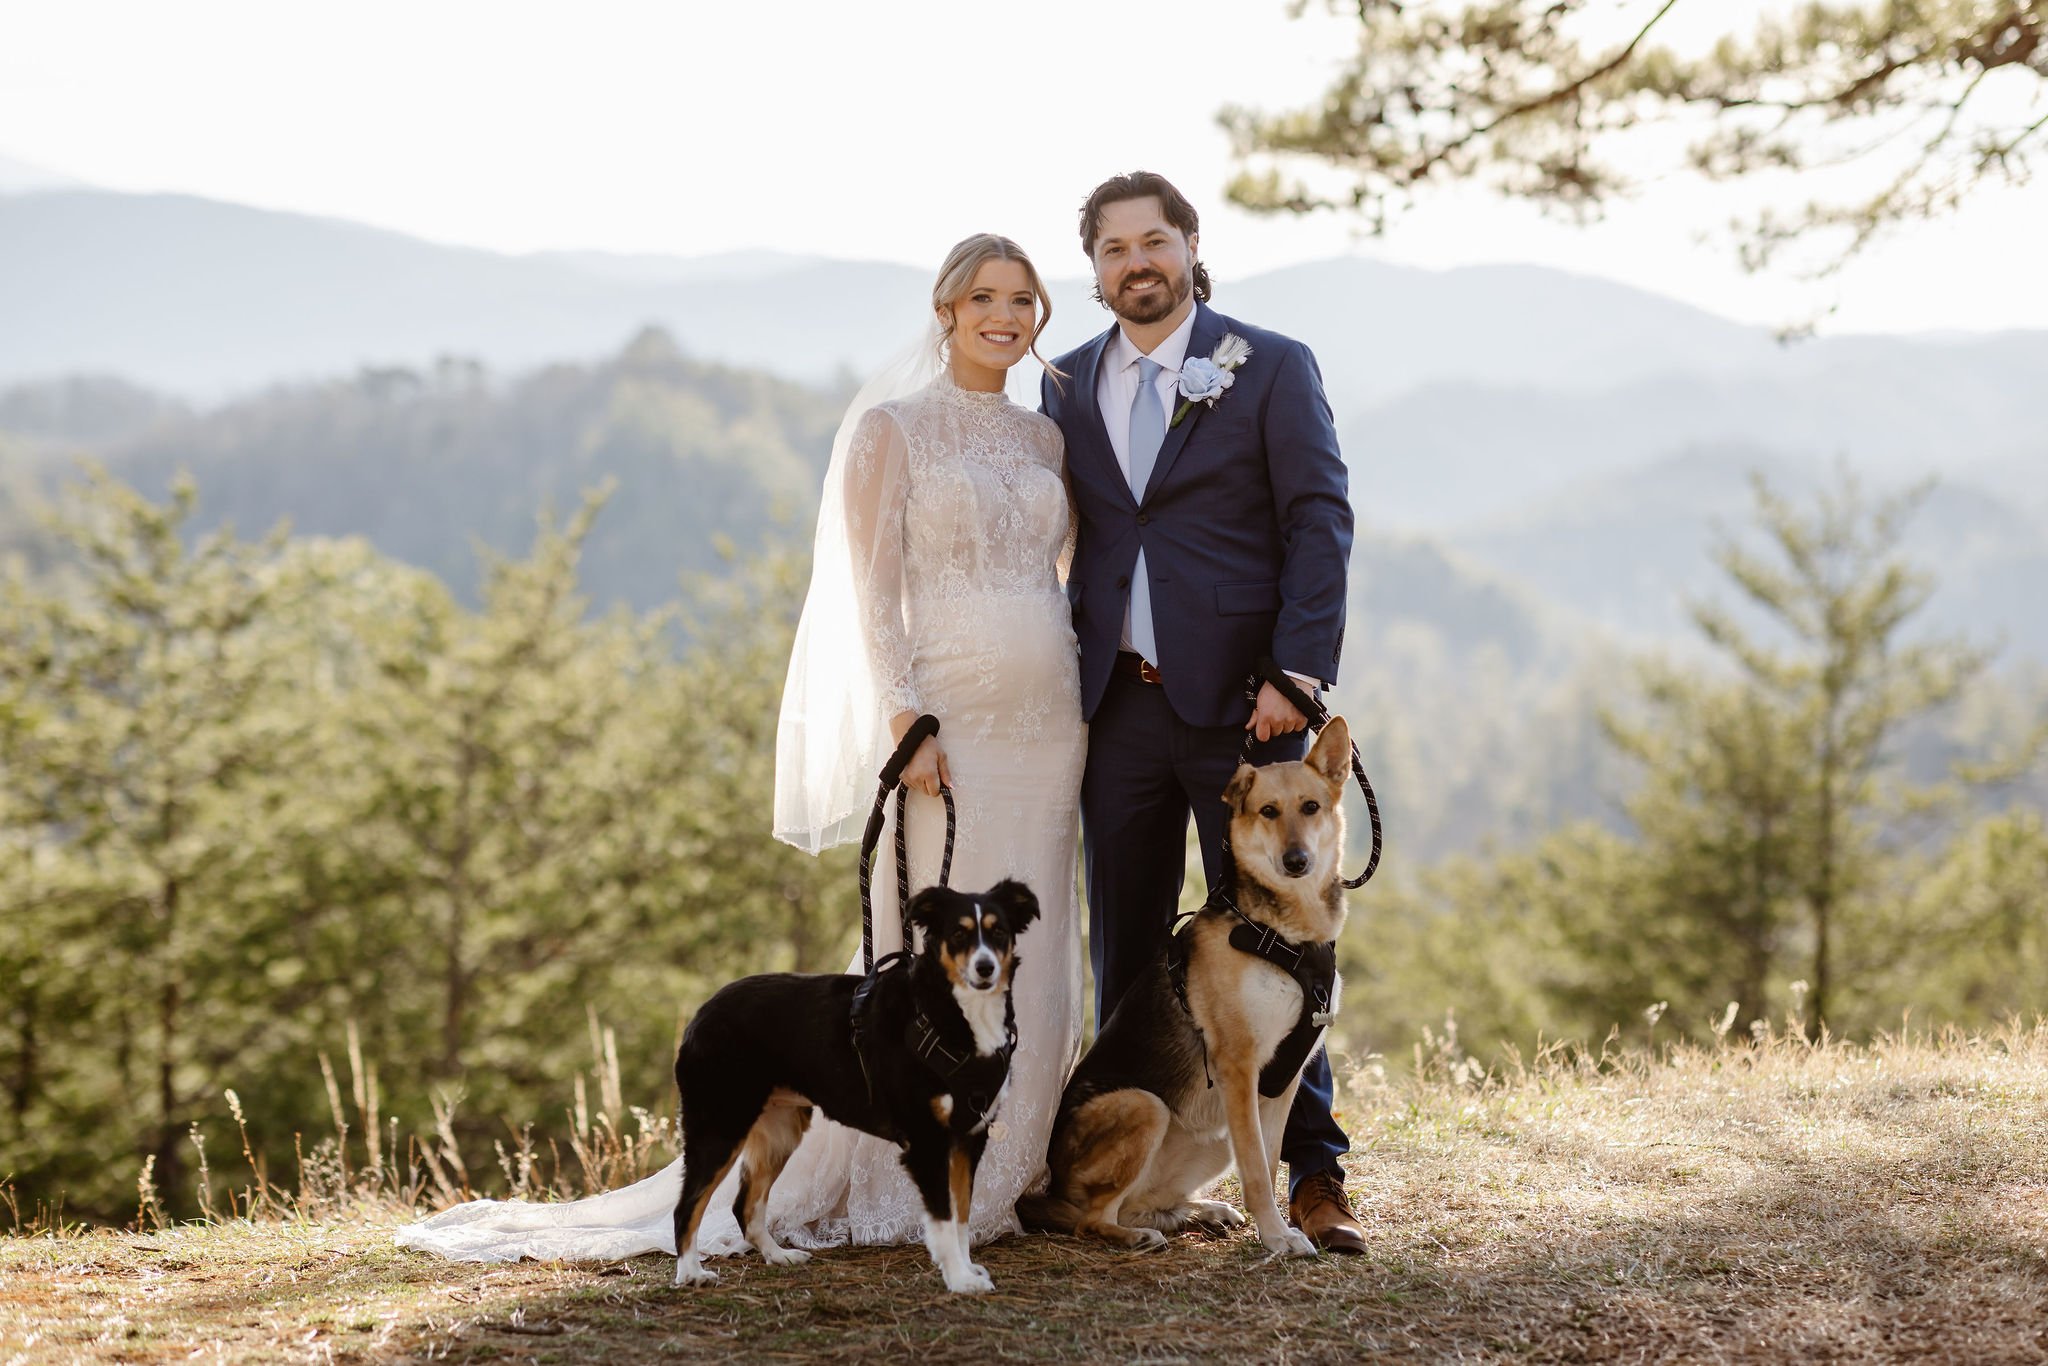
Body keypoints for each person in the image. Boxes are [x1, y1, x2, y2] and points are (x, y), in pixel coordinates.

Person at [394, 234, 1085, 1263]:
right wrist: (905, 721)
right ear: (944, 310)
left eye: (1022, 297)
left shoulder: (1043, 442)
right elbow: (869, 587)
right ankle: (879, 1178)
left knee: (1035, 951)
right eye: (983, 295)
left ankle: (1001, 1171)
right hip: (948, 733)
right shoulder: (891, 430)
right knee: (922, 965)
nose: (1004, 313)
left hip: (1049, 731)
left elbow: (1055, 572)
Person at [1041, 171, 1365, 1253]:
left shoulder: (1267, 365)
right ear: (1092, 270)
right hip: (1115, 710)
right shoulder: (1066, 385)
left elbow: (1319, 516)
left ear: (1188, 247)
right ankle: (1127, 1180)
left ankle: (1311, 1177)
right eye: (1112, 248)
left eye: (1154, 240)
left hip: (1247, 713)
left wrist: (1297, 673)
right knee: (1130, 950)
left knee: (1283, 948)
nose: (1136, 262)